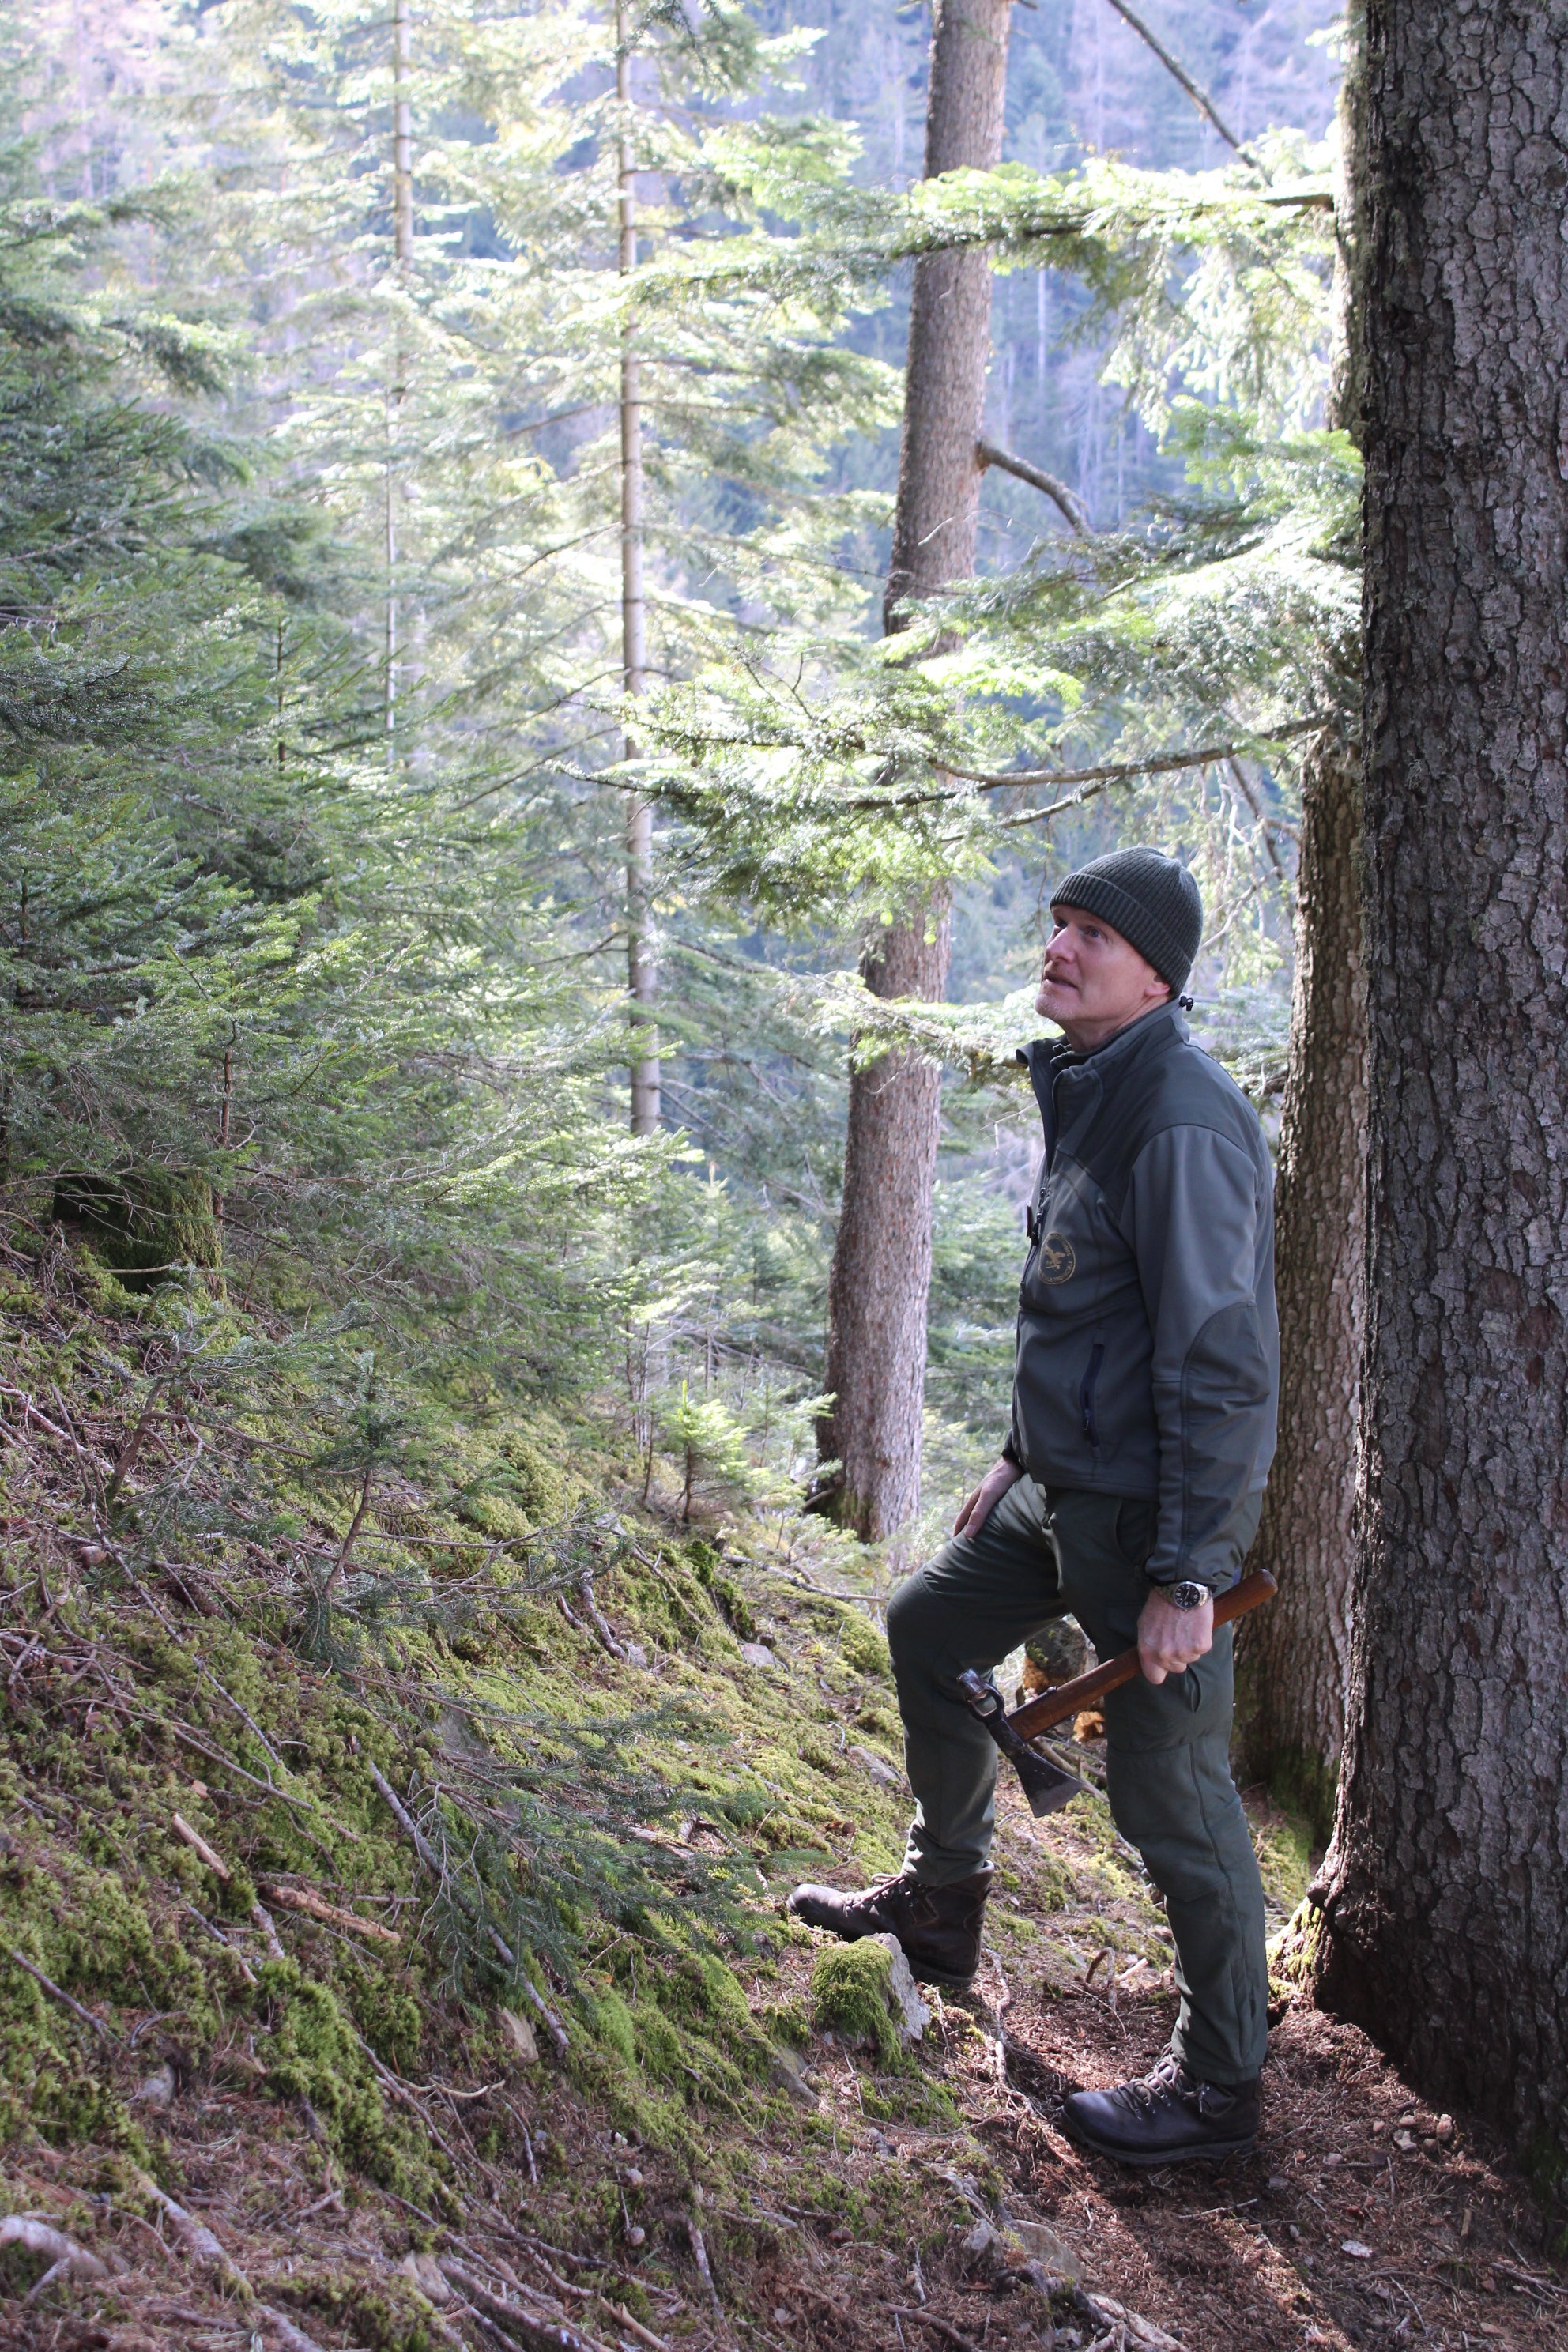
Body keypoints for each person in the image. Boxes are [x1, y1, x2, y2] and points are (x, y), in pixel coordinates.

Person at [790, 847, 1280, 2166]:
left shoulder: (1180, 1120)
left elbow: (1218, 1360)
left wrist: (1189, 1572)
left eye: (1090, 938)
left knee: (1173, 1798)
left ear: (1157, 975)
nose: (1057, 949)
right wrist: (1015, 1454)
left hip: (1144, 1525)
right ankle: (944, 1903)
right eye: (1058, 926)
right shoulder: (1093, 1085)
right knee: (927, 1627)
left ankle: (1223, 2089)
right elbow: (1087, 1308)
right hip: (1061, 1491)